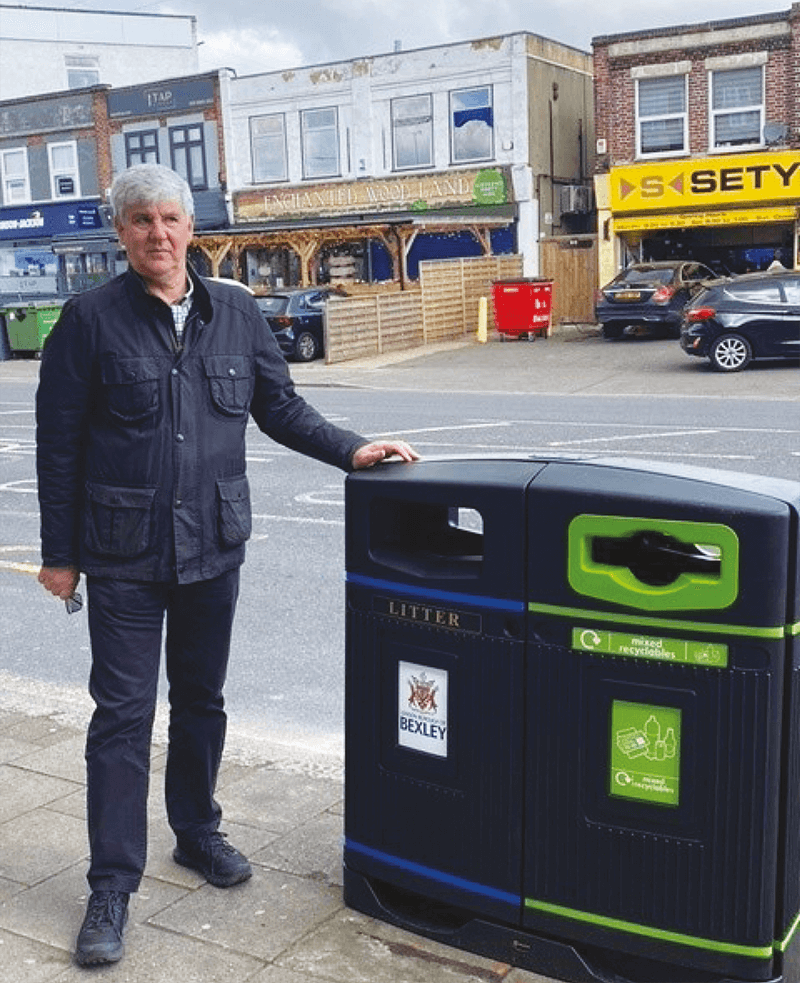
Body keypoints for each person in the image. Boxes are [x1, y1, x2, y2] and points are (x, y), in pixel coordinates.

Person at [35, 163, 418, 968]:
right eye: (141, 221)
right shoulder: (88, 320)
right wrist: (60, 556)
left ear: (190, 228)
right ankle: (112, 883)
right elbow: (58, 445)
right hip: (125, 553)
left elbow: (277, 405)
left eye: (170, 218)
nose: (158, 234)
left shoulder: (237, 311)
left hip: (212, 545)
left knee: (203, 700)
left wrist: (353, 449)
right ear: (122, 232)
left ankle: (196, 831)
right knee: (123, 716)